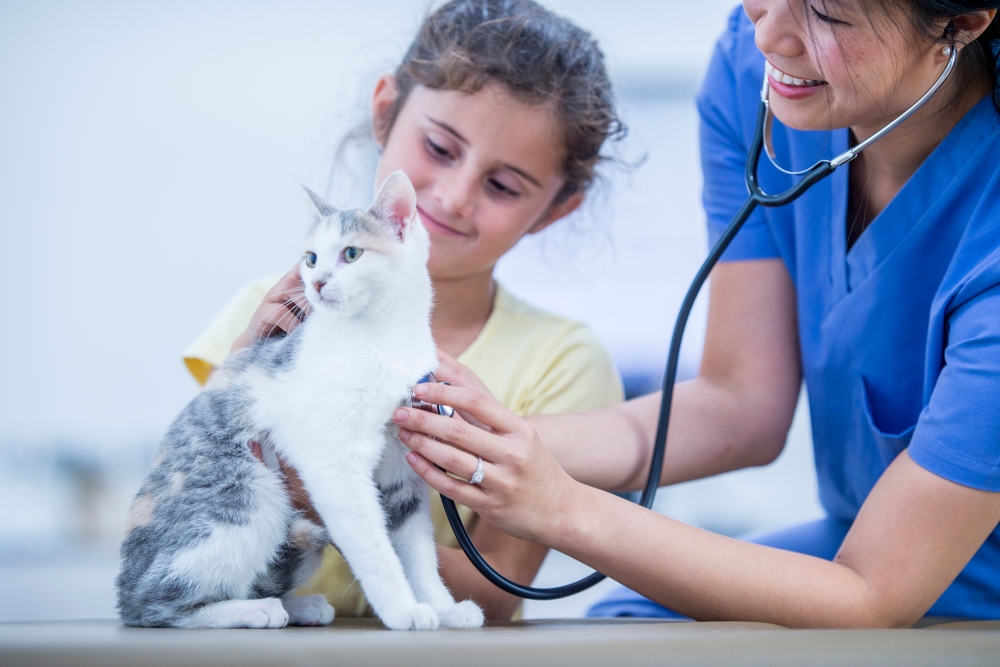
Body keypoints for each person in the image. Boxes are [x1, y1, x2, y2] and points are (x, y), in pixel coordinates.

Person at [394, 0, 1000, 627]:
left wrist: (563, 508)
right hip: (856, 546)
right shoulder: (759, 73)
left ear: (964, 21)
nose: (769, 36)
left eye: (826, 16)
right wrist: (462, 438)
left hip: (941, 582)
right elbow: (743, 403)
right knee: (623, 624)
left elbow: (872, 594)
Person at [181, 0, 626, 622]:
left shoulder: (564, 362)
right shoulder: (264, 315)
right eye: (441, 147)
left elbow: (498, 593)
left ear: (556, 209)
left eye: (502, 186)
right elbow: (195, 504)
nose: (452, 195)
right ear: (386, 111)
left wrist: (334, 499)